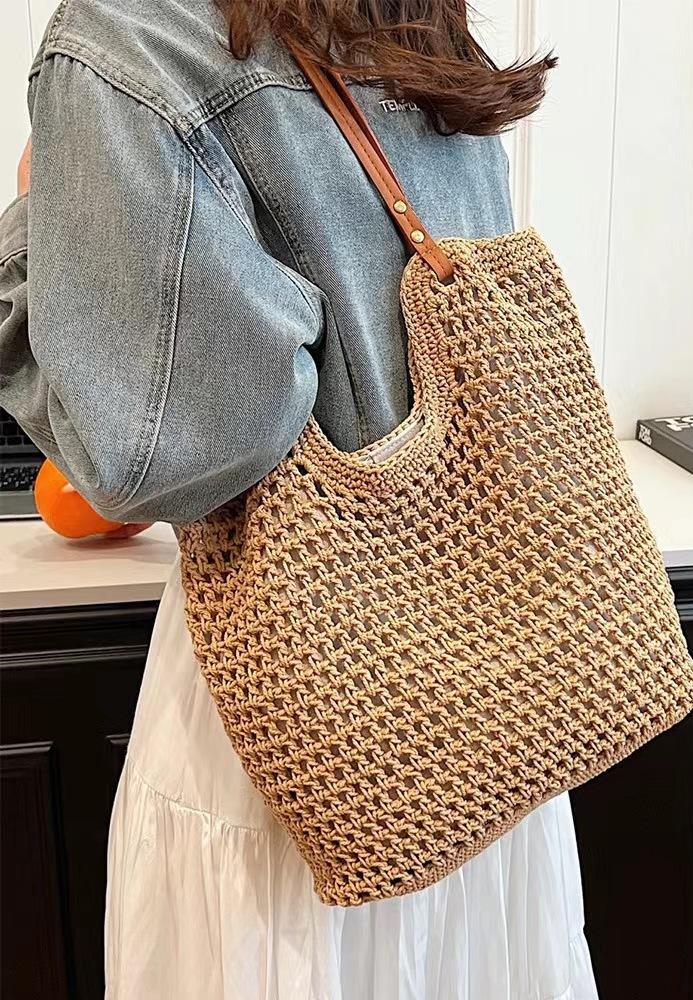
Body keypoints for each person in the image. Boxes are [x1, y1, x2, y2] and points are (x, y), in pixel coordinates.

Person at [0, 1, 599, 997]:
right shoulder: (406, 18)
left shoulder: (132, 36)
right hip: (492, 715)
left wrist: (34, 220)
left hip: (305, 726)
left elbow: (156, 454)